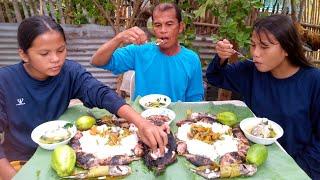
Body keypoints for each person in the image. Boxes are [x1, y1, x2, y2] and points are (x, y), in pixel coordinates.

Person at [0, 16, 169, 180]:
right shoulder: (5, 81)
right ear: (24, 55)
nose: (56, 59)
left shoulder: (69, 72)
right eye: (44, 53)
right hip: (20, 161)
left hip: (65, 155)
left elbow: (101, 93)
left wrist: (141, 123)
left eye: (61, 50)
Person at [206, 14, 320, 179]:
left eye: (264, 46)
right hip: (252, 164)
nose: (255, 53)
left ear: (287, 48)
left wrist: (294, 170)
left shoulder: (314, 81)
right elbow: (216, 76)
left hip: (298, 169)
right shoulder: (251, 72)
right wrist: (221, 58)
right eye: (253, 45)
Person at [91, 3, 204, 102]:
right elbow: (97, 61)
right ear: (153, 28)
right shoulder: (140, 51)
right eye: (158, 25)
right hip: (142, 120)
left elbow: (194, 100)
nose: (163, 30)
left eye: (169, 24)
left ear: (180, 27)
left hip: (174, 120)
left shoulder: (191, 59)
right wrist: (119, 38)